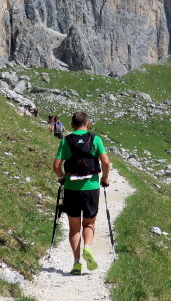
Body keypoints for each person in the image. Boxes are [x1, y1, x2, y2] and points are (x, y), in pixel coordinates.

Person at [52, 111, 110, 274]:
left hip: (71, 189)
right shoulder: (95, 139)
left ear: (71, 125)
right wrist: (105, 179)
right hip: (91, 187)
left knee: (74, 227)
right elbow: (105, 162)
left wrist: (61, 178)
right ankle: (87, 248)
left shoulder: (66, 141)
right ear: (88, 124)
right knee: (89, 223)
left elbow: (56, 166)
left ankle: (77, 263)